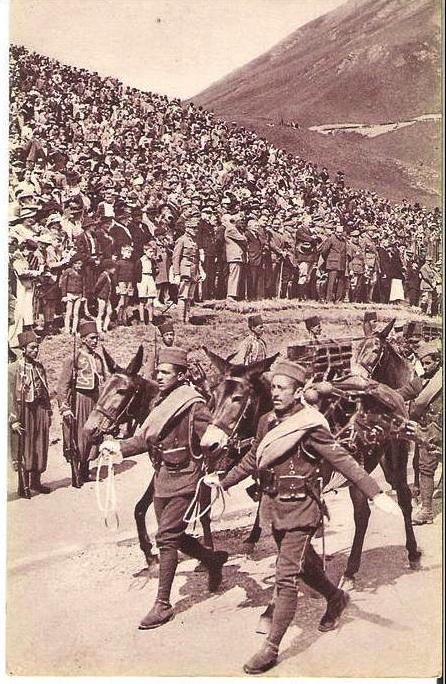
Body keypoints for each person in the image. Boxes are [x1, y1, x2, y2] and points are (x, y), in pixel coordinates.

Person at [212, 359, 400, 674]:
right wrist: (223, 481)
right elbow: (252, 457)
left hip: (301, 510)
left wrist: (375, 493)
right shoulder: (266, 422)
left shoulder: (309, 425)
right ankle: (336, 597)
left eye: (283, 388)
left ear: (299, 391)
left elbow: (342, 460)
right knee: (304, 567)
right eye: (273, 387)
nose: (275, 393)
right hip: (273, 508)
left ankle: (270, 648)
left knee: (285, 576)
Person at [99, 347, 229, 629]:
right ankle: (212, 560)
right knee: (176, 536)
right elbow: (145, 439)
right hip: (163, 477)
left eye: (165, 372)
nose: (158, 375)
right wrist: (118, 446)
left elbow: (212, 438)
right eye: (157, 371)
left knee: (166, 538)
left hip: (186, 477)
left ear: (181, 375)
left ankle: (162, 605)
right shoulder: (160, 401)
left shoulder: (193, 404)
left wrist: (213, 451)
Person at [57, 320, 106, 485]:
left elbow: (103, 380)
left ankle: (86, 469)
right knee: (78, 436)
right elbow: (63, 385)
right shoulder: (73, 358)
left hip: (95, 400)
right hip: (79, 400)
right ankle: (76, 471)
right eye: (92, 338)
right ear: (83, 339)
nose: (95, 341)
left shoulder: (98, 358)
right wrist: (64, 407)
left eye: (97, 338)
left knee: (93, 434)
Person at [8, 329, 52, 498]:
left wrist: (48, 412)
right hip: (23, 410)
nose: (35, 351)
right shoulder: (12, 369)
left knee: (40, 444)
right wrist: (13, 420)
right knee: (24, 446)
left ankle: (36, 481)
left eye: (37, 348)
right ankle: (23, 485)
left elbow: (46, 390)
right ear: (23, 349)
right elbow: (8, 396)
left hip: (39, 409)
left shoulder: (40, 367)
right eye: (32, 348)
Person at [410, 341, 442, 525]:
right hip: (430, 433)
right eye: (423, 363)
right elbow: (402, 392)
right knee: (426, 469)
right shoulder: (421, 381)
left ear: (438, 361)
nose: (425, 366)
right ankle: (427, 511)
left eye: (428, 363)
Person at [172, 211, 201, 322]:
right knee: (183, 296)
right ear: (187, 228)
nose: (196, 230)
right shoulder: (181, 240)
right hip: (185, 269)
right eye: (193, 228)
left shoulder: (194, 241)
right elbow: (176, 257)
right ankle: (181, 319)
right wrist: (176, 273)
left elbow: (197, 258)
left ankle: (187, 318)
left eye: (196, 228)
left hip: (193, 270)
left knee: (190, 296)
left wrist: (199, 271)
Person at [59, 256, 84, 335]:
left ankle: (74, 330)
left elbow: (84, 285)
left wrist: (84, 295)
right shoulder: (68, 271)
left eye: (80, 264)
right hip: (69, 294)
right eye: (78, 264)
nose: (79, 266)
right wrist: (64, 295)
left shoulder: (81, 273)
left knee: (76, 313)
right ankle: (67, 329)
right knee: (68, 312)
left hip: (78, 295)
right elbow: (64, 284)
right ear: (74, 264)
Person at [135, 242, 158, 325]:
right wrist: (139, 282)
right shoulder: (140, 261)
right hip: (143, 279)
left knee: (151, 300)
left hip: (150, 279)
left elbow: (154, 270)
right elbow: (137, 272)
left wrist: (156, 271)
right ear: (145, 251)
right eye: (150, 252)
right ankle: (142, 319)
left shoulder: (152, 261)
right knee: (142, 300)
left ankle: (151, 319)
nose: (152, 254)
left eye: (153, 252)